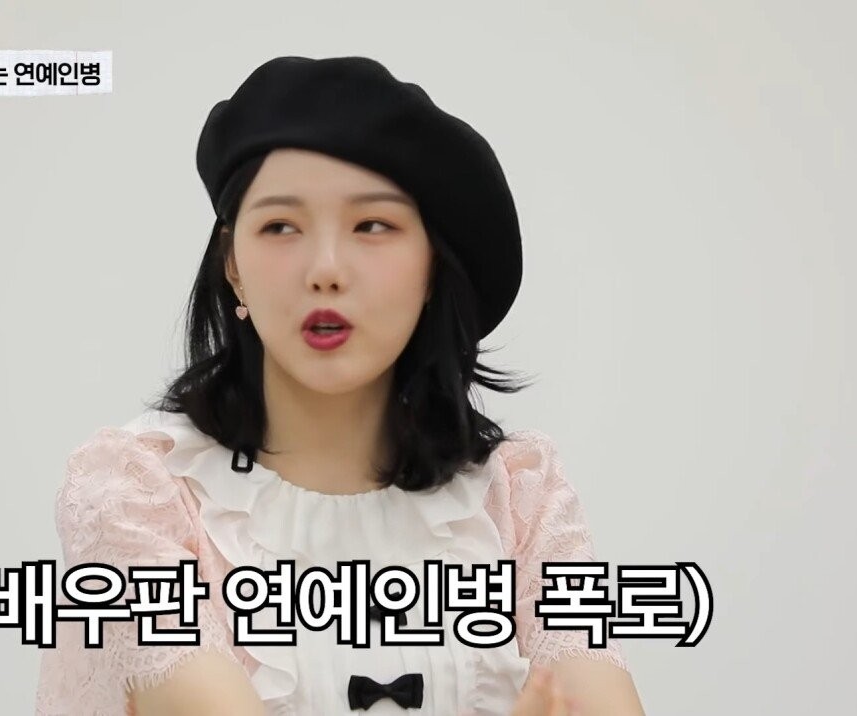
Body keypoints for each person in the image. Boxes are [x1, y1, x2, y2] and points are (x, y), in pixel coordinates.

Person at [35, 56, 646, 716]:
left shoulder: (519, 497)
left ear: (432, 266)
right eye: (281, 227)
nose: (325, 270)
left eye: (372, 226)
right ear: (233, 264)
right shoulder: (136, 494)